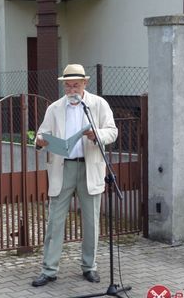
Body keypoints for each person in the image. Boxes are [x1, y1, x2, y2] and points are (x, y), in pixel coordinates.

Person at [31, 64, 118, 287]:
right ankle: (49, 270)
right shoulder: (55, 108)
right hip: (63, 168)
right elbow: (42, 133)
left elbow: (112, 131)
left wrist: (95, 134)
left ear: (85, 84)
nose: (71, 90)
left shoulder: (98, 104)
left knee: (91, 221)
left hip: (90, 166)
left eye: (75, 86)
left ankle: (89, 267)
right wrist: (39, 141)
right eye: (67, 86)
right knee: (55, 221)